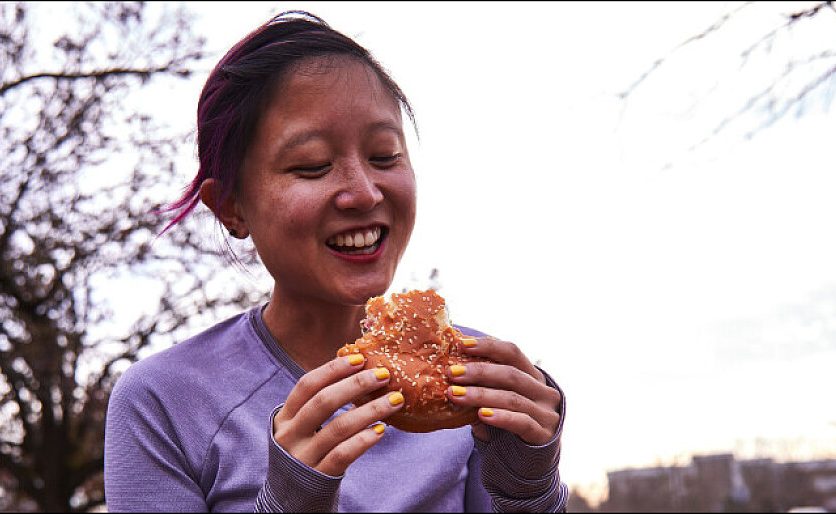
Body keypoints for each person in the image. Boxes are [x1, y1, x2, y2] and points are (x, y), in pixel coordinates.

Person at [104, 11, 567, 513]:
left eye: (384, 156)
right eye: (312, 166)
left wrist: (530, 491)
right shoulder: (163, 401)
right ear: (231, 207)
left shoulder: (474, 379)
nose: (364, 193)